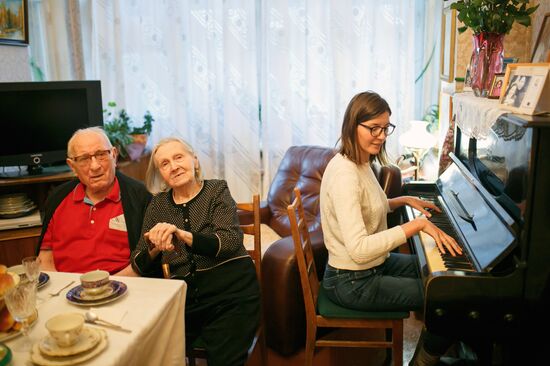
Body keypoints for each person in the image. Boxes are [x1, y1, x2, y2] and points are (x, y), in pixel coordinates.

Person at [319, 91, 462, 366]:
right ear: (353, 125)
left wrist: (404, 200)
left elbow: (371, 206)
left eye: (386, 128)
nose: (382, 136)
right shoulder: (344, 175)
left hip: (371, 267)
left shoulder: (361, 162)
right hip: (351, 280)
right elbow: (359, 250)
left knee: (443, 282)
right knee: (446, 302)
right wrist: (416, 225)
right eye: (374, 128)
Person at [131, 137, 260, 366]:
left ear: (195, 161)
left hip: (231, 295)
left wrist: (180, 234)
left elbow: (229, 241)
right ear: (161, 173)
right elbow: (139, 263)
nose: (174, 166)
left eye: (179, 157)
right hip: (185, 300)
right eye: (165, 163)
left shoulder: (216, 190)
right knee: (150, 351)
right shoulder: (158, 205)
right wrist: (154, 246)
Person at [38, 127, 151, 276]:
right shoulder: (57, 198)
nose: (95, 166)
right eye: (84, 159)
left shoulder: (140, 196)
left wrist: (106, 287)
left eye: (101, 155)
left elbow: (146, 259)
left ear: (114, 155)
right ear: (72, 166)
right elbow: (45, 257)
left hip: (123, 287)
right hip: (66, 290)